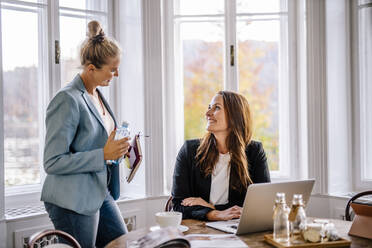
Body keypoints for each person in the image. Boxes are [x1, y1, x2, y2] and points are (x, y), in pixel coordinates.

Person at [41, 20, 128, 247]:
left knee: (120, 242)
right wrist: (103, 154)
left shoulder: (96, 93)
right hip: (72, 199)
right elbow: (52, 162)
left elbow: (96, 140)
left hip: (99, 190)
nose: (116, 73)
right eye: (112, 68)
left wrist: (121, 150)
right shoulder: (67, 100)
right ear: (91, 69)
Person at [171, 91, 271, 221]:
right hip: (200, 230)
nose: (208, 113)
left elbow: (261, 204)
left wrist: (210, 206)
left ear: (235, 116)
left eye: (216, 107)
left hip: (236, 228)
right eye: (209, 107)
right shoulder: (189, 150)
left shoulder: (254, 151)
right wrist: (214, 214)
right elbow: (179, 204)